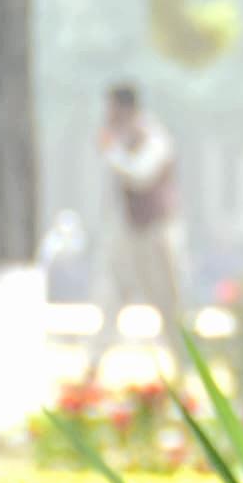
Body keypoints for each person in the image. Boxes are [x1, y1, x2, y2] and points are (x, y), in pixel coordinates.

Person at [84, 80, 188, 384]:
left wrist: (112, 151)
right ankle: (93, 366)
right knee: (110, 296)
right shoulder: (120, 139)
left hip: (157, 233)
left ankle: (183, 368)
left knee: (168, 303)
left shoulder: (153, 136)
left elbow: (141, 175)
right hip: (128, 233)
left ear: (125, 109)